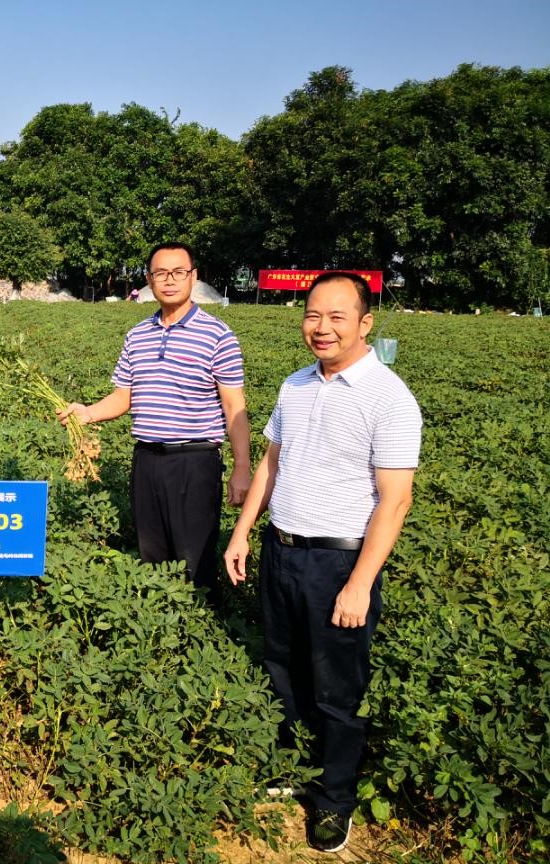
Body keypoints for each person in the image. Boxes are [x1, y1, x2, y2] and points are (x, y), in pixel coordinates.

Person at [223, 272, 422, 852]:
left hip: (339, 564)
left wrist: (361, 583)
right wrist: (242, 535)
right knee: (281, 667)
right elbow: (270, 465)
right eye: (313, 314)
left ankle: (334, 801)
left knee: (337, 688)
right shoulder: (295, 385)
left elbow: (396, 499)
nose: (322, 327)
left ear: (365, 324)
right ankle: (292, 769)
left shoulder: (389, 397)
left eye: (338, 316)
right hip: (281, 552)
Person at [59, 242, 251, 596]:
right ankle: (158, 635)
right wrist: (86, 413)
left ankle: (197, 629)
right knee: (153, 555)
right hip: (146, 459)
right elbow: (123, 397)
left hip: (195, 461)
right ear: (149, 279)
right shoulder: (137, 336)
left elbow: (234, 408)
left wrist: (242, 468)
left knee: (195, 558)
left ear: (193, 276)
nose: (169, 280)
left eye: (179, 272)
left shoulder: (218, 335)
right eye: (160, 273)